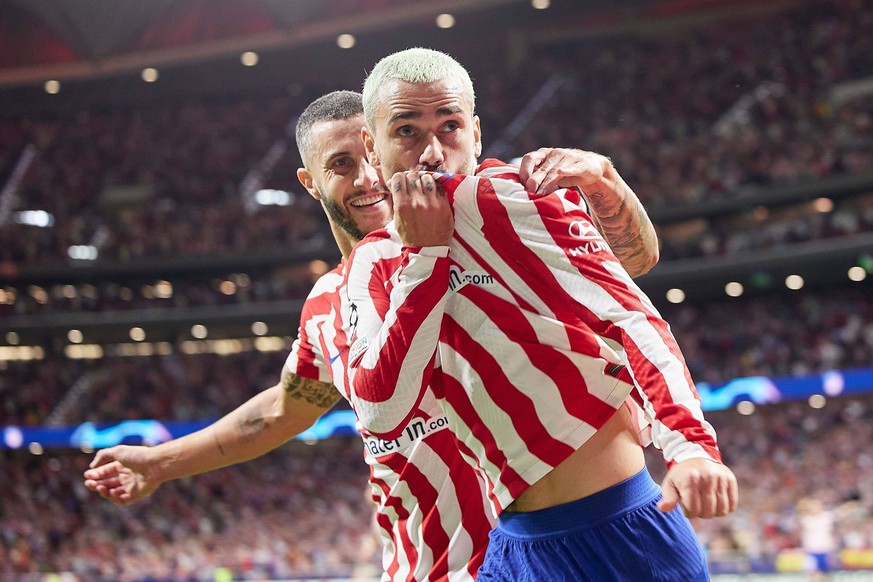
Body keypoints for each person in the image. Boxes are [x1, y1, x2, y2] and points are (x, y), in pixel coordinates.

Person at [83, 90, 659, 581]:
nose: (367, 180)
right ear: (310, 184)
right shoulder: (325, 305)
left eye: (371, 156)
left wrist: (607, 183)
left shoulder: (483, 239)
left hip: (536, 556)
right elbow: (282, 410)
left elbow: (634, 261)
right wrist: (159, 464)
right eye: (340, 165)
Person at [344, 48, 738, 580]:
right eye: (407, 131)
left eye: (451, 127)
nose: (433, 153)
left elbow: (630, 318)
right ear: (373, 144)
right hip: (509, 546)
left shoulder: (510, 196)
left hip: (616, 531)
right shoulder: (374, 262)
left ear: (476, 134)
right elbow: (379, 411)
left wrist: (691, 446)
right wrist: (425, 256)